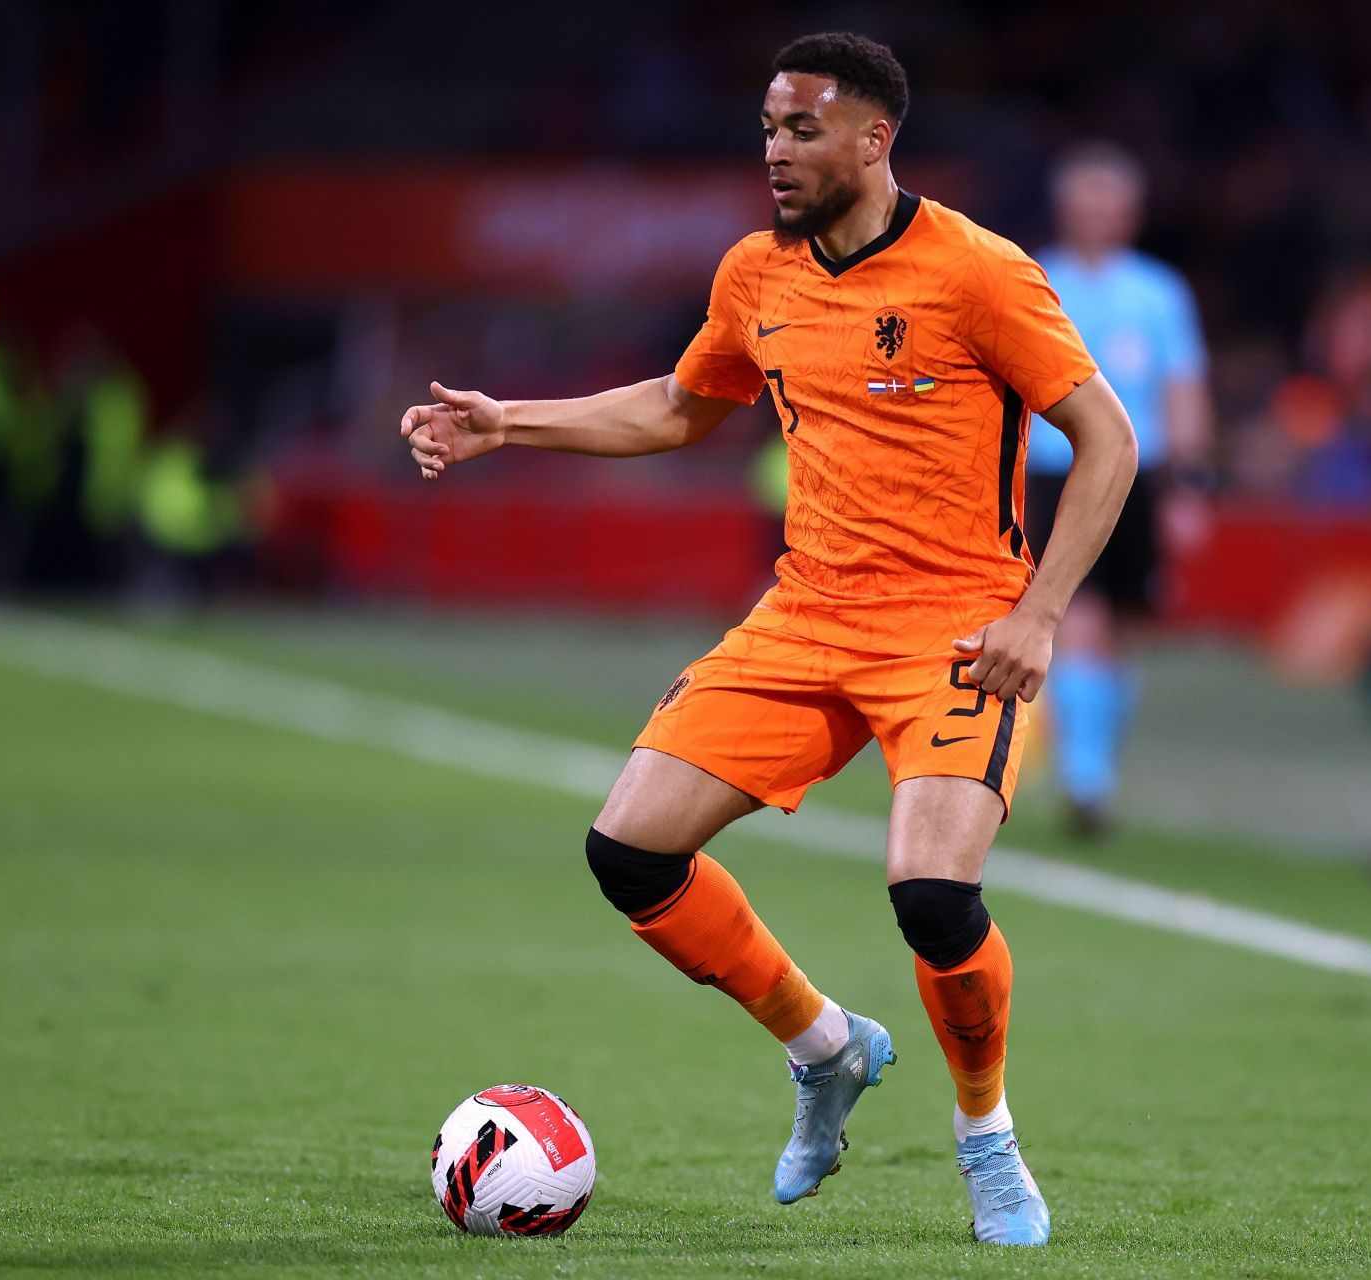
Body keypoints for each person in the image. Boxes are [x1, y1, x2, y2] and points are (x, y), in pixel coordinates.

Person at [399, 33, 1136, 1246]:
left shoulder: (978, 272)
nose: (775, 152)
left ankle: (985, 1134)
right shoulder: (757, 271)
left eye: (801, 129)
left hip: (953, 629)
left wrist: (1038, 615)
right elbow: (685, 404)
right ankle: (826, 1047)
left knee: (934, 895)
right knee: (630, 851)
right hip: (805, 615)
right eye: (766, 129)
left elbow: (1106, 440)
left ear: (873, 140)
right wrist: (506, 423)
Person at [1029, 142, 1213, 837]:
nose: (1099, 214)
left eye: (1111, 202)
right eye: (1087, 200)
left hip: (1139, 472)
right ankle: (1085, 774)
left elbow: (1182, 388)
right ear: (1066, 208)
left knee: (1127, 622)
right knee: (1076, 610)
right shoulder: (1037, 278)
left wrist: (1190, 483)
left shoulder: (1159, 293)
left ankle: (1094, 757)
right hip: (1058, 466)